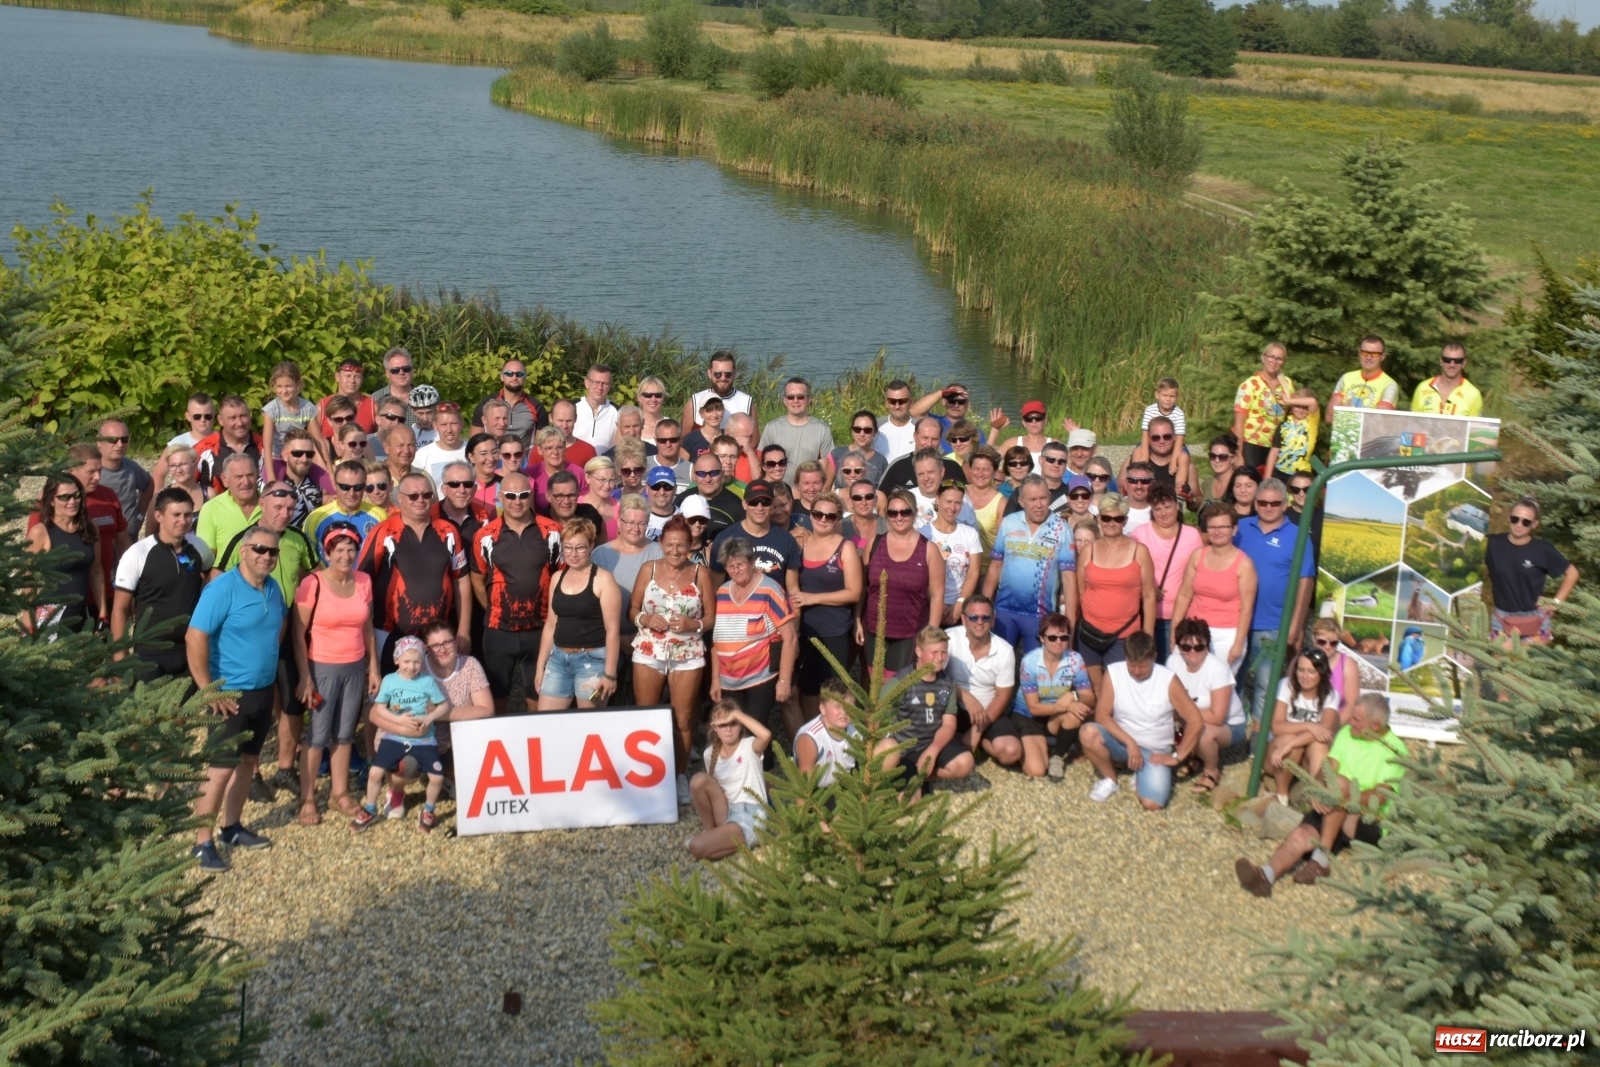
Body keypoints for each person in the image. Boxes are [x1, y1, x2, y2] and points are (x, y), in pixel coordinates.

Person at [185, 524, 287, 871]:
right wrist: (208, 688)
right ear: (244, 551)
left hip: (261, 690)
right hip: (229, 694)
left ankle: (231, 826)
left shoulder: (273, 589)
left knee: (247, 762)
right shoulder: (222, 589)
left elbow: (276, 630)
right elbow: (195, 637)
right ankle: (201, 841)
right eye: (259, 549)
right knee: (219, 768)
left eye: (272, 551)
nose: (266, 557)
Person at [1236, 692, 1407, 895]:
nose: (1350, 722)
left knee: (1341, 784)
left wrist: (1340, 798)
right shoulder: (1348, 734)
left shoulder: (1395, 750)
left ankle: (1322, 855)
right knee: (1301, 835)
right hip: (1334, 808)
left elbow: (1379, 796)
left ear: (1376, 725)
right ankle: (1266, 875)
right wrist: (1318, 791)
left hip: (1366, 819)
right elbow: (1327, 768)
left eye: (1357, 720)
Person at [290, 522, 380, 825]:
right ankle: (308, 798)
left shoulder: (364, 581)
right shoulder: (312, 584)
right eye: (338, 549)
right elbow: (298, 632)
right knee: (317, 736)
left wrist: (374, 668)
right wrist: (305, 676)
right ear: (327, 552)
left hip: (354, 666)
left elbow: (367, 628)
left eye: (351, 548)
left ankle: (339, 793)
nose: (345, 555)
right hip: (322, 666)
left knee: (343, 735)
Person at [629, 516, 715, 807]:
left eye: (681, 545)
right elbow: (632, 610)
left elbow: (711, 618)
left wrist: (694, 624)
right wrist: (645, 618)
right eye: (669, 545)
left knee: (683, 719)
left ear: (691, 545)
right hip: (649, 650)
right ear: (661, 544)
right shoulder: (648, 569)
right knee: (647, 715)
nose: (675, 551)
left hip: (687, 654)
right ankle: (649, 774)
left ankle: (678, 774)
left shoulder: (701, 573)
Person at [359, 471, 471, 672]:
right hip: (389, 634)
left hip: (437, 636)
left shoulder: (448, 531)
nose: (420, 500)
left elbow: (461, 581)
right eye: (413, 496)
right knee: (391, 698)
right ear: (400, 498)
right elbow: (363, 584)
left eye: (426, 495)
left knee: (437, 698)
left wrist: (463, 630)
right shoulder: (382, 531)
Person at [1079, 632, 1203, 811]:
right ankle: (1110, 779)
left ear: (1154, 657)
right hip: (1123, 742)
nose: (1137, 671)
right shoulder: (1114, 673)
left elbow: (1195, 720)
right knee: (1088, 732)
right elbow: (1102, 715)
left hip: (1155, 749)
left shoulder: (1168, 679)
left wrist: (1177, 757)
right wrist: (1130, 742)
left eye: (1142, 667)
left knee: (1151, 804)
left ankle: (1142, 772)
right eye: (1132, 666)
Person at [471, 471, 559, 711]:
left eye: (523, 495)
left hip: (540, 628)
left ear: (531, 496)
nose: (517, 501)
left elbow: (560, 576)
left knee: (538, 694)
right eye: (510, 495)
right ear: (501, 497)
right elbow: (477, 579)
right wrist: (491, 609)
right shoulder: (485, 535)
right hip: (499, 629)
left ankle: (538, 741)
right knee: (497, 698)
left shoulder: (552, 531)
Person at [350, 636, 451, 833]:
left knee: (437, 777)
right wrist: (399, 721)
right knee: (375, 772)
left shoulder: (427, 681)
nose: (411, 667)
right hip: (394, 737)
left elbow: (443, 705)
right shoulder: (389, 680)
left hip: (424, 739)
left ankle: (429, 810)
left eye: (417, 662)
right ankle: (370, 809)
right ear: (397, 660)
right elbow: (379, 709)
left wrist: (429, 719)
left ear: (423, 662)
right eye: (406, 661)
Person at [1236, 478, 1316, 721]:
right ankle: (1236, 729)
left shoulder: (1298, 535)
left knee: (1265, 685)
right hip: (1235, 622)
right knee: (1232, 680)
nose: (1268, 507)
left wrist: (1296, 625)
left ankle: (1260, 739)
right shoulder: (1239, 528)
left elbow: (1306, 580)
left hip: (1272, 625)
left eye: (1274, 503)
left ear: (1285, 504)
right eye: (1262, 502)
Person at [112, 487, 212, 679]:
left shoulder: (198, 547)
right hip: (150, 652)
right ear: (158, 516)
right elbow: (120, 608)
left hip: (190, 648)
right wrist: (120, 657)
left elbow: (213, 577)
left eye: (188, 515)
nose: (183, 521)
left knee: (187, 709)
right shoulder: (138, 553)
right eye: (176, 515)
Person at [709, 537, 797, 736]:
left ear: (752, 562)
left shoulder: (770, 589)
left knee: (754, 733)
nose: (736, 570)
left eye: (740, 564)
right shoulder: (722, 592)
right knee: (733, 734)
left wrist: (784, 681)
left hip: (760, 677)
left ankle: (764, 765)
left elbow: (790, 638)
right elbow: (717, 640)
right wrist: (715, 679)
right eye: (730, 566)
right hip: (728, 680)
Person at [791, 492, 863, 731]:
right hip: (804, 629)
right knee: (808, 688)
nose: (823, 519)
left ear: (837, 519)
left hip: (834, 630)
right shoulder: (799, 543)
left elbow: (854, 592)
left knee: (836, 689)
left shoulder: (846, 548)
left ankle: (839, 738)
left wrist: (813, 598)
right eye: (818, 513)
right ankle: (815, 735)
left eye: (829, 516)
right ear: (810, 515)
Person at [982, 475, 1075, 657]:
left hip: (1040, 615)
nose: (1039, 505)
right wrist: (985, 609)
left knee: (1038, 671)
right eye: (1032, 499)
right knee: (998, 666)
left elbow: (1069, 581)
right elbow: (995, 568)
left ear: (1049, 497)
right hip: (1004, 611)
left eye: (1043, 498)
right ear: (1021, 501)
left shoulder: (1062, 528)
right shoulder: (1009, 523)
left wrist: (1068, 626)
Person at [534, 519, 622, 710]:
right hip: (557, 659)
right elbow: (551, 623)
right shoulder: (557, 578)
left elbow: (612, 630)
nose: (573, 554)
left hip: (593, 661)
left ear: (591, 546)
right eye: (568, 547)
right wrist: (541, 666)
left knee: (590, 724)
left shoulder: (604, 580)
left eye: (580, 547)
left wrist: (609, 674)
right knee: (546, 722)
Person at [858, 489, 945, 682]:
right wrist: (857, 618)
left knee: (896, 688)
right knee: (873, 686)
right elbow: (863, 587)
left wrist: (931, 634)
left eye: (905, 512)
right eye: (893, 512)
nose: (899, 517)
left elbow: (938, 595)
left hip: (910, 632)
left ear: (913, 513)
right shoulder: (874, 544)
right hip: (874, 628)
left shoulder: (929, 550)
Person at [878, 627, 975, 794]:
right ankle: (898, 778)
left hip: (930, 742)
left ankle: (924, 776)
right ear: (918, 651)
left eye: (943, 652)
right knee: (908, 805)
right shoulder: (900, 681)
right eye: (934, 652)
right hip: (904, 749)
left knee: (965, 763)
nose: (940, 658)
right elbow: (878, 718)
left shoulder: (947, 684)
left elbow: (949, 724)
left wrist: (933, 750)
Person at [1075, 493, 1156, 686]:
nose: (1112, 523)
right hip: (1089, 634)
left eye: (1118, 518)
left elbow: (1149, 596)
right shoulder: (1088, 551)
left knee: (1119, 691)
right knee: (1094, 691)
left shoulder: (1140, 551)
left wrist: (1148, 637)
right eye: (1106, 518)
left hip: (1125, 635)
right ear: (1099, 519)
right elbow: (1081, 592)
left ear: (1125, 521)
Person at [1485, 495, 1579, 645]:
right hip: (1502, 620)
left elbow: (1572, 573)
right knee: (1502, 667)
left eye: (1526, 522)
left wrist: (1555, 603)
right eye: (1515, 519)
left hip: (1537, 620)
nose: (1519, 524)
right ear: (1509, 518)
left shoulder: (1543, 550)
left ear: (1535, 524)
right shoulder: (1493, 544)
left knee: (1532, 668)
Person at [1173, 503, 1257, 672]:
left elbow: (1247, 608)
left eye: (1223, 527)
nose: (1217, 531)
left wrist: (1238, 643)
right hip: (1192, 630)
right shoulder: (1197, 556)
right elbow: (1184, 594)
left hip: (1226, 635)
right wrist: (1174, 633)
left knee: (1217, 689)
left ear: (1234, 529)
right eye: (1212, 527)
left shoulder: (1244, 565)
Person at [1010, 613, 1095, 779]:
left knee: (1079, 710)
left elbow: (1090, 699)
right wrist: (1068, 705)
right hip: (1027, 716)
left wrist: (1073, 695)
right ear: (1042, 638)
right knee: (1037, 770)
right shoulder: (1030, 661)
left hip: (1053, 715)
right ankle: (1037, 742)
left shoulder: (1075, 660)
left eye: (1064, 637)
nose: (1058, 642)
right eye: (1052, 637)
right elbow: (1034, 708)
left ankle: (1058, 756)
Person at [1166, 618, 1245, 796]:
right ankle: (1195, 756)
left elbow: (1217, 717)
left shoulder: (1217, 669)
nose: (1192, 651)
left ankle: (1212, 771)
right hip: (1196, 718)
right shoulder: (1173, 662)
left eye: (1199, 646)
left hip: (1229, 725)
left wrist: (1180, 712)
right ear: (1178, 647)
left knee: (1204, 731)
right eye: (1186, 647)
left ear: (1207, 646)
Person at [687, 699, 772, 861]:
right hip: (726, 808)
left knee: (696, 847)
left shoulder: (749, 746)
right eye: (723, 725)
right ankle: (711, 833)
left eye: (733, 723)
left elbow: (766, 735)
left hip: (751, 812)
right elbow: (711, 789)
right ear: (714, 728)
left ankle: (715, 842)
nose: (728, 729)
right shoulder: (709, 753)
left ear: (740, 725)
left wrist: (736, 713)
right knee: (698, 780)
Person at [23, 472, 104, 637]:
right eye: (65, 497)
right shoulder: (41, 532)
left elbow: (96, 572)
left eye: (76, 495)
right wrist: (28, 621)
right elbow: (28, 580)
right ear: (51, 500)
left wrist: (103, 614)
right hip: (50, 616)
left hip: (81, 612)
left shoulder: (90, 528)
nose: (72, 501)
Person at [594, 494, 664, 682]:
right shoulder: (601, 554)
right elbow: (591, 604)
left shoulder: (660, 552)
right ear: (619, 522)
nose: (635, 528)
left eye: (642, 523)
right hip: (605, 640)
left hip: (649, 641)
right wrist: (618, 638)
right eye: (630, 522)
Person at [1130, 484, 1201, 662]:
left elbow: (1198, 573)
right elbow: (1130, 569)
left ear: (1177, 506)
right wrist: (1148, 585)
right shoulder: (1140, 534)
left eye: (1167, 507)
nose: (1163, 513)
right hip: (1146, 615)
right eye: (1158, 508)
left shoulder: (1192, 536)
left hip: (1179, 617)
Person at [943, 593, 1017, 759]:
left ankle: (977, 740)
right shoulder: (949, 639)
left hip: (986, 712)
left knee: (1011, 752)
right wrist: (966, 697)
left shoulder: (1004, 651)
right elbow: (934, 676)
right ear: (963, 619)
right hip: (950, 708)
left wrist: (977, 730)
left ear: (993, 620)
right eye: (974, 617)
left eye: (985, 617)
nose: (979, 622)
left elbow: (1002, 696)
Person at [1264, 647, 1341, 805]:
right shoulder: (1286, 685)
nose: (1305, 676)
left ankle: (1317, 796)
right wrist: (1310, 726)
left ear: (1321, 673)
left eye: (1311, 671)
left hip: (1306, 759)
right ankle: (1282, 793)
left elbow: (1324, 731)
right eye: (1301, 670)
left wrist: (1294, 741)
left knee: (1319, 743)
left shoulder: (1331, 694)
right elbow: (1277, 726)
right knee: (1291, 741)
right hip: (1278, 754)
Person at [61, 443, 130, 611]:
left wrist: (131, 583)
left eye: (100, 471)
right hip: (67, 598)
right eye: (91, 472)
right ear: (71, 471)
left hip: (106, 592)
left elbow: (123, 542)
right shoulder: (53, 502)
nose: (98, 477)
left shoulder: (108, 496)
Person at [709, 479, 800, 589]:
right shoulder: (724, 539)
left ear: (772, 505)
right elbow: (715, 588)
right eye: (754, 502)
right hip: (736, 604)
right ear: (744, 504)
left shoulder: (787, 540)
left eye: (765, 502)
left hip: (773, 603)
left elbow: (793, 590)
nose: (760, 507)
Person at [922, 481, 982, 626]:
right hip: (927, 606)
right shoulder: (923, 533)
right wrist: (937, 604)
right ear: (937, 499)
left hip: (959, 608)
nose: (953, 508)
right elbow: (921, 574)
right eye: (948, 501)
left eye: (958, 503)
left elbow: (973, 572)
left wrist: (960, 604)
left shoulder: (970, 533)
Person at [303, 459, 385, 561]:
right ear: (335, 485)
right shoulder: (315, 518)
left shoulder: (380, 516)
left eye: (358, 487)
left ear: (364, 486)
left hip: (367, 577)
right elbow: (306, 558)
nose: (352, 493)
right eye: (345, 487)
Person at [1233, 341, 1294, 474]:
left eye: (1279, 358)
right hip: (1252, 443)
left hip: (1276, 445)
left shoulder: (1287, 384)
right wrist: (1238, 454)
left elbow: (1290, 414)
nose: (1274, 361)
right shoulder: (1249, 385)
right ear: (1263, 357)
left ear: (1284, 362)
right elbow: (1239, 423)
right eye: (1271, 356)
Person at [758, 377, 833, 482]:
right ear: (784, 401)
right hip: (779, 491)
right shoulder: (772, 428)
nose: (795, 401)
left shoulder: (822, 429)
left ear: (808, 400)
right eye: (790, 397)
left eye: (800, 397)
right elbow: (763, 461)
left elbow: (826, 465)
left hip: (809, 491)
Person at [195, 453, 261, 559]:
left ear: (257, 474)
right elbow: (206, 558)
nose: (246, 482)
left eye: (250, 475)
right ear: (224, 479)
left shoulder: (271, 505)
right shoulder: (211, 509)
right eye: (238, 477)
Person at [794, 679, 859, 787]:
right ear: (822, 709)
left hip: (847, 787)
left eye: (849, 706)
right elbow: (803, 788)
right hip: (820, 794)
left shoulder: (856, 730)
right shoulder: (810, 738)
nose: (844, 712)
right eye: (837, 706)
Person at [194, 394, 264, 494]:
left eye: (243, 416)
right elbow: (186, 487)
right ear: (220, 420)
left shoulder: (265, 446)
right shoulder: (203, 449)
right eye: (232, 418)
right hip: (215, 508)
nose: (239, 423)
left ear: (250, 415)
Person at [472, 357, 547, 447]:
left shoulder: (537, 407)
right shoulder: (485, 404)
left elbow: (541, 446)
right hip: (492, 459)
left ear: (525, 378)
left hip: (524, 460)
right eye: (509, 373)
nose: (514, 377)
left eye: (519, 374)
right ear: (501, 377)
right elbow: (474, 444)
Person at [880, 418, 965, 497]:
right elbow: (880, 498)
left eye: (934, 439)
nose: (929, 444)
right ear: (915, 436)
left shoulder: (953, 467)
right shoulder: (898, 466)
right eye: (925, 438)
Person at [96, 418, 152, 531]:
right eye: (113, 440)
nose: (120, 444)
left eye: (124, 439)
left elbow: (149, 483)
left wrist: (140, 516)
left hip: (129, 540)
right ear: (99, 442)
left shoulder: (131, 467)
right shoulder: (89, 470)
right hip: (100, 541)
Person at [260, 360, 323, 462]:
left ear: (298, 385)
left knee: (324, 478)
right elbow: (267, 447)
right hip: (275, 458)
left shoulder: (307, 408)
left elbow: (319, 441)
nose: (284, 391)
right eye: (279, 386)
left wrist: (329, 469)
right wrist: (271, 477)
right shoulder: (271, 410)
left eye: (288, 386)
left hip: (299, 458)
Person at [683, 350, 756, 435]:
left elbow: (753, 441)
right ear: (709, 373)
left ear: (734, 374)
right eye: (718, 374)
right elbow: (684, 439)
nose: (723, 378)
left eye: (727, 374)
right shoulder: (694, 402)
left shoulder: (746, 402)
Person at [1135, 377, 1189, 487]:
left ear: (1176, 397)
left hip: (1174, 444)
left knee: (1183, 457)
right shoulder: (1150, 410)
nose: (1168, 399)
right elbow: (1145, 433)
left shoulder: (1179, 414)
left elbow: (1179, 438)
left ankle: (1180, 489)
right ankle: (1137, 478)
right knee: (1138, 451)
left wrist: (1174, 459)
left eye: (1172, 396)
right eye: (1165, 395)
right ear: (1157, 395)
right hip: (1152, 441)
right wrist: (1145, 454)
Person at [676, 452, 744, 538]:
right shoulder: (682, 500)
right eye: (701, 473)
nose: (708, 479)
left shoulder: (736, 506)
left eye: (713, 473)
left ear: (722, 474)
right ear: (694, 476)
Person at [273, 428, 330, 528]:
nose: (304, 459)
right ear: (285, 456)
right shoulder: (268, 484)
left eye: (309, 454)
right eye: (297, 453)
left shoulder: (320, 487)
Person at [1308, 617, 1361, 723]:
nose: (1327, 647)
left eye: (1333, 643)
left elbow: (1351, 706)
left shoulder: (1347, 664)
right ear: (1313, 639)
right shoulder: (1302, 660)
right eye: (1322, 642)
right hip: (1303, 719)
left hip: (1335, 723)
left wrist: (1329, 728)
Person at [146, 445, 207, 533]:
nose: (178, 470)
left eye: (183, 464)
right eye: (173, 466)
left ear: (195, 465)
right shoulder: (159, 497)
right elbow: (149, 535)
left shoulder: (209, 493)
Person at [1411, 342, 1482, 416]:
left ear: (1464, 363)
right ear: (1441, 361)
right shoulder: (1422, 388)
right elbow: (1412, 423)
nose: (1452, 364)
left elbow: (1475, 426)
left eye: (1457, 361)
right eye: (1447, 360)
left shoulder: (1473, 394)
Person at [1330, 335, 1399, 411]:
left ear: (1383, 356)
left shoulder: (1390, 384)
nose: (1369, 357)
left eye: (1374, 354)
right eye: (1364, 352)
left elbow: (1381, 420)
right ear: (1359, 353)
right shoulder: (1346, 378)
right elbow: (1329, 417)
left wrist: (1344, 411)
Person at [962, 446, 1005, 569]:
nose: (980, 474)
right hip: (956, 568)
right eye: (976, 469)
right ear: (970, 469)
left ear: (995, 471)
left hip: (985, 569)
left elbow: (1001, 546)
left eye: (985, 469)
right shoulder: (958, 493)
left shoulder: (1001, 503)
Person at [1265, 389, 1320, 481]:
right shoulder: (1283, 425)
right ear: (1291, 408)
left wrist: (1288, 401)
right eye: (1297, 406)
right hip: (1279, 472)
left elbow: (1313, 402)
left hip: (1301, 474)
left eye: (1304, 407)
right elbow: (1274, 450)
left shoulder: (1311, 422)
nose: (1301, 410)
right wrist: (1267, 476)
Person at [318, 358, 376, 438]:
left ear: (362, 379)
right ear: (337, 377)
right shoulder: (322, 406)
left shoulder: (372, 407)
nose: (352, 380)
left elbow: (380, 439)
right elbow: (313, 441)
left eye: (357, 377)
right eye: (348, 376)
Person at [830, 412, 886, 488]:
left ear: (875, 432)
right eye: (857, 429)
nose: (862, 434)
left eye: (867, 430)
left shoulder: (880, 461)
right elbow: (825, 488)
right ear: (852, 431)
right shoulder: (836, 454)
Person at [415, 402, 465, 486]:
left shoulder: (472, 450)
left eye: (453, 424)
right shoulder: (422, 454)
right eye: (443, 425)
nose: (449, 430)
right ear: (435, 426)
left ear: (461, 424)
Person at [574, 363, 619, 451]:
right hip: (574, 463)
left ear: (610, 386)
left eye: (605, 384)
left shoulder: (617, 412)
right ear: (587, 383)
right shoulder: (572, 407)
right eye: (596, 382)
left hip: (605, 464)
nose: (600, 388)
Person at [1003, 400, 1058, 471]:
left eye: (1038, 418)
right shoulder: (1012, 443)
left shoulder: (1055, 444)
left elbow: (1071, 465)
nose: (1034, 421)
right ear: (1023, 422)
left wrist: (1075, 436)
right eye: (1029, 419)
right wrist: (995, 430)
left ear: (1045, 420)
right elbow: (989, 459)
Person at [875, 379, 919, 462]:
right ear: (886, 402)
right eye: (892, 401)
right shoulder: (875, 426)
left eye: (902, 401)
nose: (897, 406)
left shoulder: (919, 428)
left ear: (911, 402)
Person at [842, 477, 885, 552]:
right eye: (857, 498)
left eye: (869, 497)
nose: (864, 502)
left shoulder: (887, 527)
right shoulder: (841, 527)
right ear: (850, 502)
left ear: (876, 500)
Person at [582, 456, 619, 542]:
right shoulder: (575, 505)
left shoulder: (620, 507)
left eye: (612, 480)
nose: (608, 486)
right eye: (602, 479)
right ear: (588, 478)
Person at [1202, 433, 1243, 507]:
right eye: (1212, 456)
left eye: (1222, 457)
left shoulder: (1239, 486)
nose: (1217, 460)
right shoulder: (1207, 484)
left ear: (1233, 459)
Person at [464, 432, 501, 512]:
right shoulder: (462, 487)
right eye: (483, 453)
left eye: (494, 452)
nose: (490, 459)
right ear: (471, 457)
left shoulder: (505, 485)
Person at [679, 393, 722, 460]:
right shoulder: (690, 439)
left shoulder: (728, 437)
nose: (714, 415)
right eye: (709, 411)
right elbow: (682, 467)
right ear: (701, 413)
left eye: (718, 409)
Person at [643, 464, 681, 540]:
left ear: (675, 489)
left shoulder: (684, 517)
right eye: (656, 486)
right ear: (647, 488)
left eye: (667, 487)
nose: (662, 492)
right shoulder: (637, 516)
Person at [1119, 461, 1155, 533]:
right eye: (1133, 481)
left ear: (1153, 484)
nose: (1139, 486)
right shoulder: (1115, 508)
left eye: (1145, 481)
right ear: (1125, 484)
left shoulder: (1159, 512)